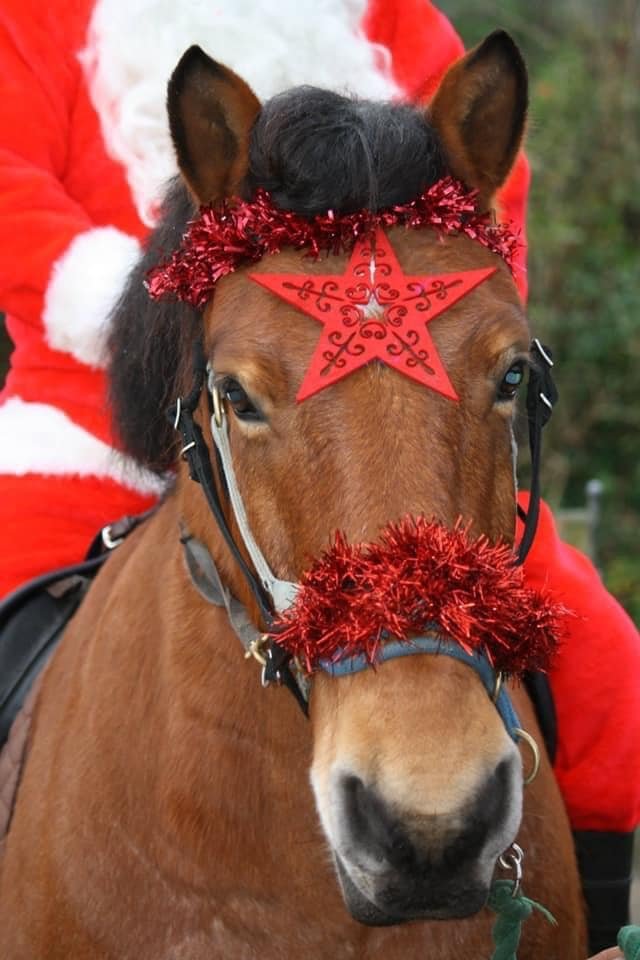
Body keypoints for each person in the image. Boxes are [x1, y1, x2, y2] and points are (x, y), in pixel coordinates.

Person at [0, 0, 637, 952]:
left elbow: (480, 209)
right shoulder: (32, 21)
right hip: (86, 420)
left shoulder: (396, 16)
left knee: (606, 676)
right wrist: (148, 307)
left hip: (383, 430)